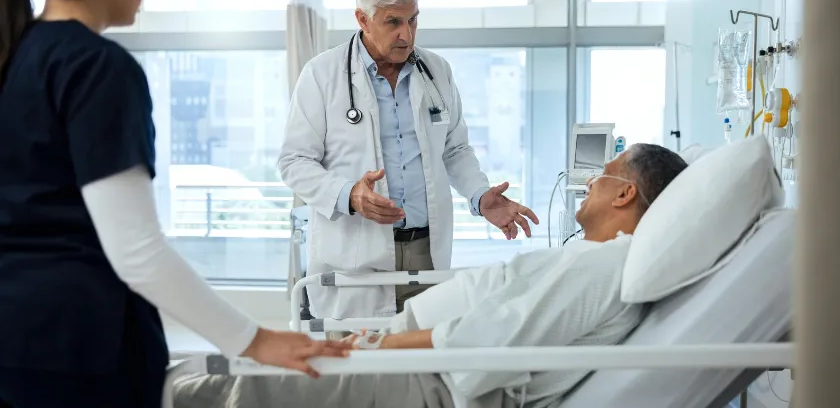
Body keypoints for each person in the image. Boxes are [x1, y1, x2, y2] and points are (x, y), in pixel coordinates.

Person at [0, 0, 346, 407]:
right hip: (79, 346)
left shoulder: (12, 55)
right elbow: (136, 251)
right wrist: (253, 339)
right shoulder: (97, 66)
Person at [173, 144, 689, 408]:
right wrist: (376, 340)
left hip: (432, 381)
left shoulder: (601, 265)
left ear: (624, 195)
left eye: (606, 173)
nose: (592, 181)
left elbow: (494, 336)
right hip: (418, 359)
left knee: (251, 392)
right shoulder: (596, 257)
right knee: (249, 373)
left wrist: (370, 347)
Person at [278, 0, 539, 322]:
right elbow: (294, 162)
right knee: (358, 357)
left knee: (420, 357)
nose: (407, 35)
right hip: (356, 249)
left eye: (413, 20)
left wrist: (480, 195)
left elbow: (455, 149)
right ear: (362, 19)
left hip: (424, 248)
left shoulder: (437, 71)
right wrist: (349, 194)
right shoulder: (322, 75)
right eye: (393, 22)